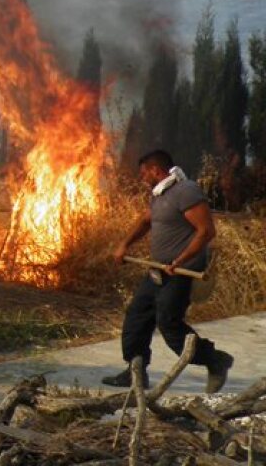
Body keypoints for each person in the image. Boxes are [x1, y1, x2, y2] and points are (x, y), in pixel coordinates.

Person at [104, 149, 233, 392]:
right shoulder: (160, 194)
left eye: (144, 173)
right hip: (158, 270)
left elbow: (206, 231)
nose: (142, 178)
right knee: (137, 317)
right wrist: (124, 245)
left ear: (156, 170)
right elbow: (145, 221)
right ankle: (135, 373)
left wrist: (180, 260)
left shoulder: (186, 191)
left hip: (181, 272)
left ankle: (215, 360)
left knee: (169, 323)